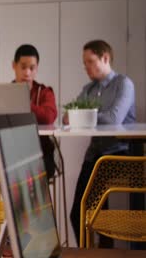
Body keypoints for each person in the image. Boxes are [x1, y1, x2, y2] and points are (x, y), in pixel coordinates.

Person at [65, 40, 136, 247]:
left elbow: (115, 119)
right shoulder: (88, 89)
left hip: (118, 154)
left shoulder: (123, 83)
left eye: (90, 61)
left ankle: (106, 250)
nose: (86, 67)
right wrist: (78, 116)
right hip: (94, 155)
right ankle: (89, 252)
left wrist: (83, 116)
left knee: (99, 215)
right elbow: (68, 117)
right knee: (78, 213)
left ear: (105, 57)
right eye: (84, 63)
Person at [12, 44, 57, 179]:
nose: (27, 73)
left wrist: (22, 103)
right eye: (23, 67)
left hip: (40, 152)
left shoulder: (44, 92)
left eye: (32, 68)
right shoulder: (5, 93)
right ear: (14, 65)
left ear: (37, 68)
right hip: (13, 152)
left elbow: (49, 116)